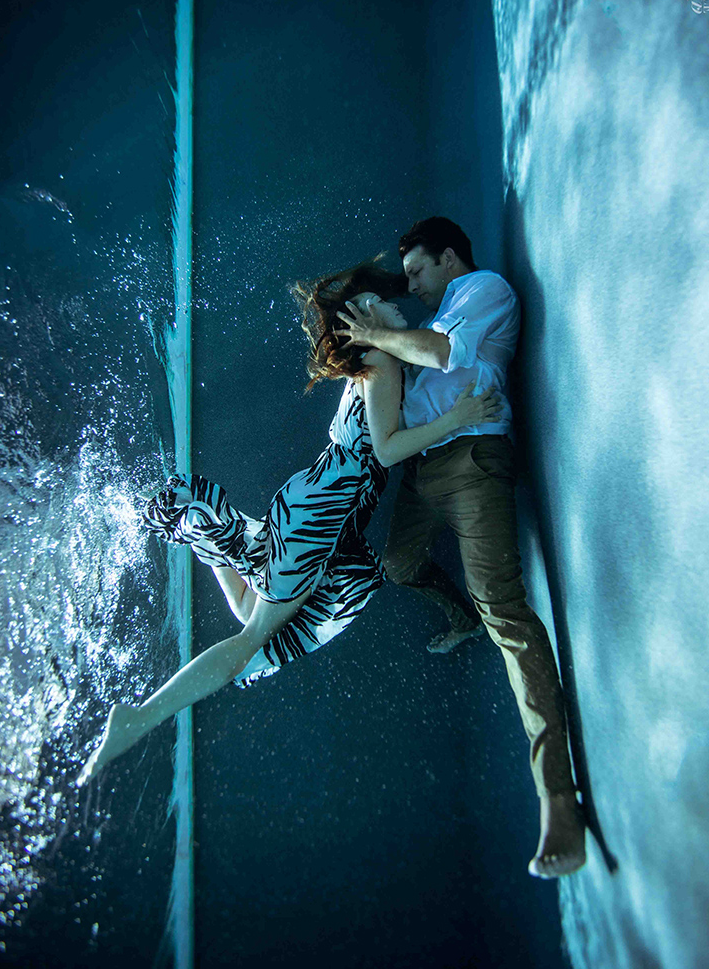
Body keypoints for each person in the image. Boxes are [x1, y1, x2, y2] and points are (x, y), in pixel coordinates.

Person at [77, 258, 501, 787]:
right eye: (385, 300)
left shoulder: (374, 363)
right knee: (254, 638)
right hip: (322, 515)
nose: (398, 304)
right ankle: (137, 719)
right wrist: (457, 419)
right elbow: (387, 451)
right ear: (364, 312)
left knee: (267, 610)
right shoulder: (381, 359)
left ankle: (210, 537)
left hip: (315, 505)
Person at [336, 217, 586, 880]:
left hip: (474, 461)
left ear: (449, 257)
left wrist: (375, 335)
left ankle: (557, 800)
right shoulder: (436, 311)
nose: (410, 282)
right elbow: (396, 416)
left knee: (506, 611)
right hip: (424, 471)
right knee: (396, 564)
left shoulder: (484, 290)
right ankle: (460, 615)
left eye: (417, 269)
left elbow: (444, 353)